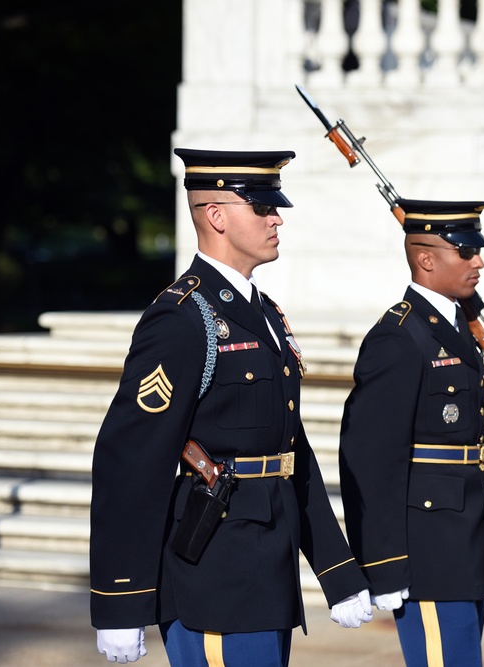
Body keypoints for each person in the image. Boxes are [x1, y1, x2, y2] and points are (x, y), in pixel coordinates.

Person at [91, 148, 372, 666]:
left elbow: (288, 451)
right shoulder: (181, 318)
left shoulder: (264, 314)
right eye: (262, 208)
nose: (277, 218)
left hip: (268, 570)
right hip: (213, 578)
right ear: (216, 216)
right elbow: (129, 460)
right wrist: (120, 600)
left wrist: (337, 571)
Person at [338, 198, 484, 666]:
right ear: (426, 258)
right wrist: (383, 567)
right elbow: (368, 462)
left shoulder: (456, 328)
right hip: (424, 558)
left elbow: (462, 442)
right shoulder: (399, 338)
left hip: (463, 549)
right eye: (465, 252)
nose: (479, 261)